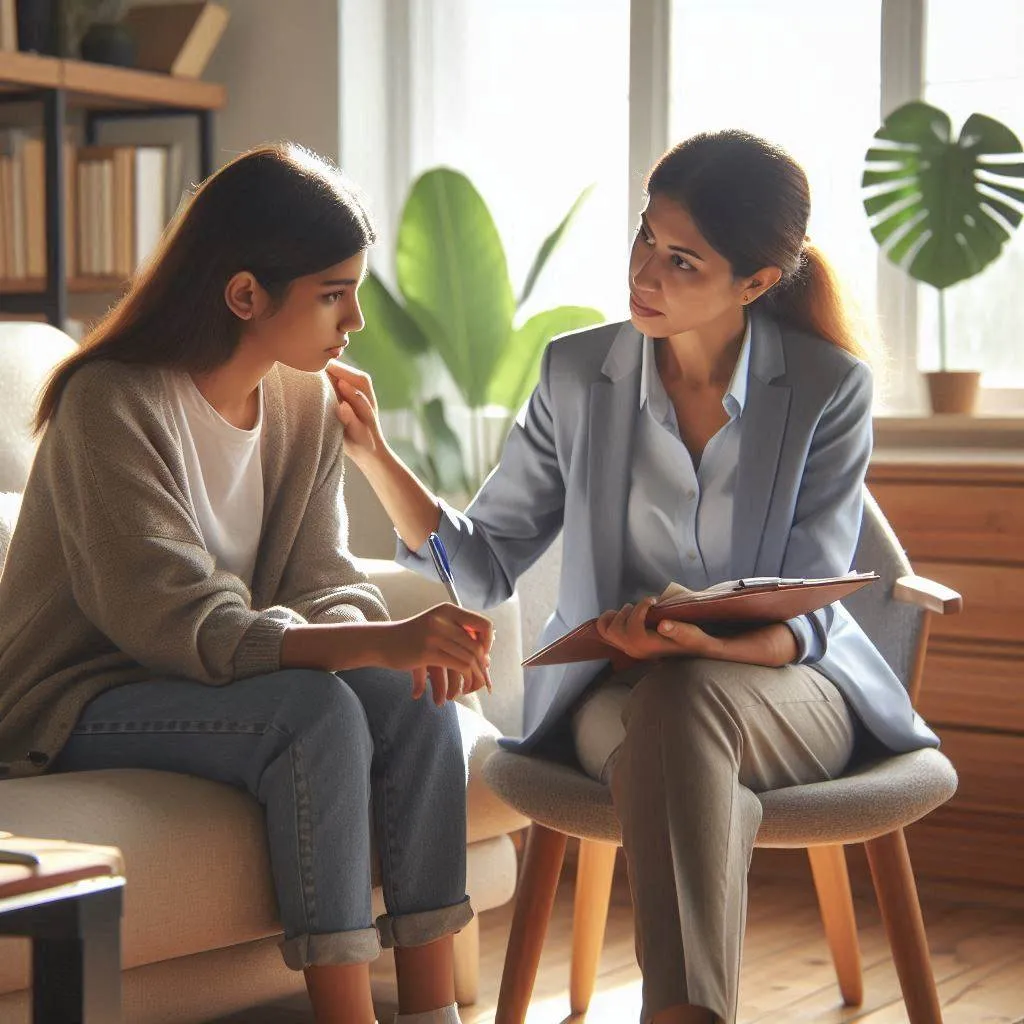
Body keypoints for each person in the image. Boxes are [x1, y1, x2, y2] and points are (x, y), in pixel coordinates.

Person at [327, 129, 939, 1024]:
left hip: (788, 689)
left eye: (682, 259)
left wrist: (705, 642)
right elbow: (488, 562)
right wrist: (377, 459)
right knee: (677, 730)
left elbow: (813, 604)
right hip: (614, 697)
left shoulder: (825, 386)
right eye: (645, 237)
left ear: (757, 283)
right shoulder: (578, 374)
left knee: (686, 700)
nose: (645, 273)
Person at [0, 143, 495, 1024]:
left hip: (204, 676)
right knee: (313, 712)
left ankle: (432, 1015)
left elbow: (324, 577)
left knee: (414, 698)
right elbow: (176, 621)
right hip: (83, 694)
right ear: (244, 296)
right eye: (333, 294)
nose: (355, 322)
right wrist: (375, 640)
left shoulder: (301, 399)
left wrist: (381, 647)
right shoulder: (108, 403)